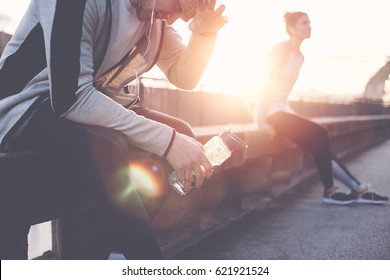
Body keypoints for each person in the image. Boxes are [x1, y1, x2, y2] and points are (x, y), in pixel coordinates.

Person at [0, 0, 227, 259]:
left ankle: (109, 252)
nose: (175, 18)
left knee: (180, 131)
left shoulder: (153, 16)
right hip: (24, 108)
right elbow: (70, 97)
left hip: (85, 107)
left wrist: (204, 33)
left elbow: (182, 76)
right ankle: (145, 260)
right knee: (110, 145)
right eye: (177, 5)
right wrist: (167, 142)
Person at [253, 11, 388, 206]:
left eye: (309, 22)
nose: (309, 26)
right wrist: (259, 120)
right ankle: (330, 190)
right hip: (271, 113)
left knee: (320, 147)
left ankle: (357, 188)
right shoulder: (281, 50)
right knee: (320, 132)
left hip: (283, 110)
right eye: (304, 23)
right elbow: (264, 83)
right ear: (291, 28)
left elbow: (283, 92)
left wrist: (289, 112)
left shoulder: (300, 57)